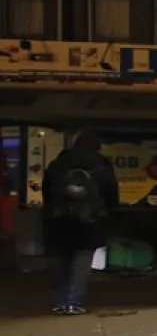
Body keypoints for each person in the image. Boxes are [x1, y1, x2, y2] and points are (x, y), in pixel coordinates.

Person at [41, 130, 118, 315]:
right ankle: (74, 303)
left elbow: (46, 192)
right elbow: (111, 195)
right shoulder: (102, 166)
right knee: (82, 263)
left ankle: (60, 302)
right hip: (89, 222)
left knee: (61, 262)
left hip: (59, 220)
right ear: (96, 146)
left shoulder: (58, 163)